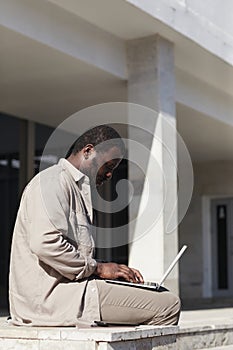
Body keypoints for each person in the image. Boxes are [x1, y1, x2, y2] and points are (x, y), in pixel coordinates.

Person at [9, 125, 180, 327]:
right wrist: (98, 268)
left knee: (155, 296)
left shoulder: (76, 190)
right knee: (168, 305)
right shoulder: (52, 182)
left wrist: (109, 274)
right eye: (108, 167)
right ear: (88, 151)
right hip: (50, 301)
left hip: (72, 293)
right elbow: (45, 243)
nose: (109, 176)